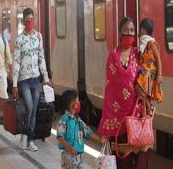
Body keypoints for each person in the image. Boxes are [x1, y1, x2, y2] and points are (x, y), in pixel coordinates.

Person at [98, 17, 149, 169]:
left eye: (132, 31)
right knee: (123, 163)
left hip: (137, 118)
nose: (129, 33)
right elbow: (110, 92)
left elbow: (146, 77)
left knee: (139, 161)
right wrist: (106, 126)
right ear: (120, 32)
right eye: (126, 30)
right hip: (118, 122)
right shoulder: (113, 57)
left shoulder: (139, 55)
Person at [13, 8, 52, 151]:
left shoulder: (39, 37)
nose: (30, 22)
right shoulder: (20, 39)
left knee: (34, 110)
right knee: (29, 107)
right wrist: (15, 83)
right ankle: (25, 135)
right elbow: (16, 60)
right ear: (24, 21)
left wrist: (45, 78)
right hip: (24, 79)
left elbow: (41, 58)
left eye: (32, 19)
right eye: (27, 19)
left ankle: (30, 140)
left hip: (36, 79)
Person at [57, 90, 108, 169]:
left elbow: (88, 131)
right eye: (77, 100)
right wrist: (69, 147)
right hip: (68, 156)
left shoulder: (78, 120)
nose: (79, 103)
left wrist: (100, 139)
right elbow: (60, 136)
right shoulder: (64, 119)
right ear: (73, 105)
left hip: (79, 157)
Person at [136, 18, 163, 115]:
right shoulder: (144, 43)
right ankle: (147, 110)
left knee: (139, 90)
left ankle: (149, 106)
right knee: (142, 93)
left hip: (149, 72)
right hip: (144, 72)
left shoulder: (151, 43)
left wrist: (159, 74)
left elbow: (158, 58)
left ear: (142, 30)